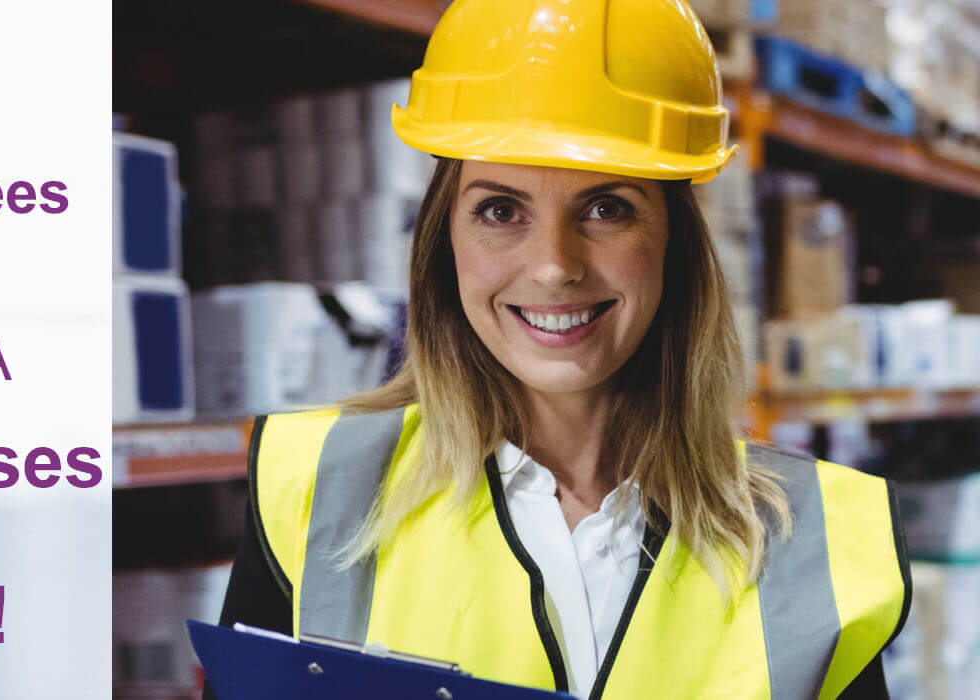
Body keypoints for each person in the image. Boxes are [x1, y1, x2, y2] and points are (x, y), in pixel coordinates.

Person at [204, 2, 909, 699]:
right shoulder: (315, 488)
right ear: (442, 243)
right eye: (501, 210)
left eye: (607, 208)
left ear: (675, 244)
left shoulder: (813, 538)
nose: (553, 266)